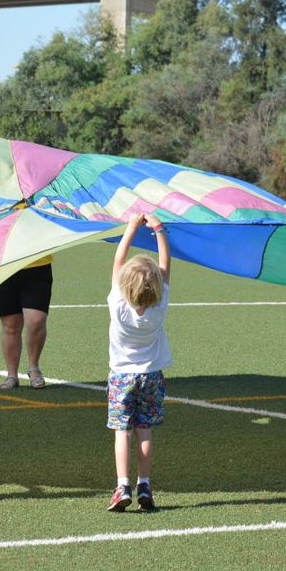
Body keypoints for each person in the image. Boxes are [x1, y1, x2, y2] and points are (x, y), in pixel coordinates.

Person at [106, 213, 170, 512]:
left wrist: (131, 227)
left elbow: (118, 263)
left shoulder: (118, 303)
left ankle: (122, 486)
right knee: (144, 430)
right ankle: (145, 482)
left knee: (123, 432)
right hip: (151, 377)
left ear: (123, 285)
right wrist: (158, 229)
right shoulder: (160, 306)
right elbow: (166, 265)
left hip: (121, 377)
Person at [0, 256, 53, 389]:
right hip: (2, 266)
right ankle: (12, 376)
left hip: (38, 264)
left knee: (36, 320)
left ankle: (33, 368)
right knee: (10, 325)